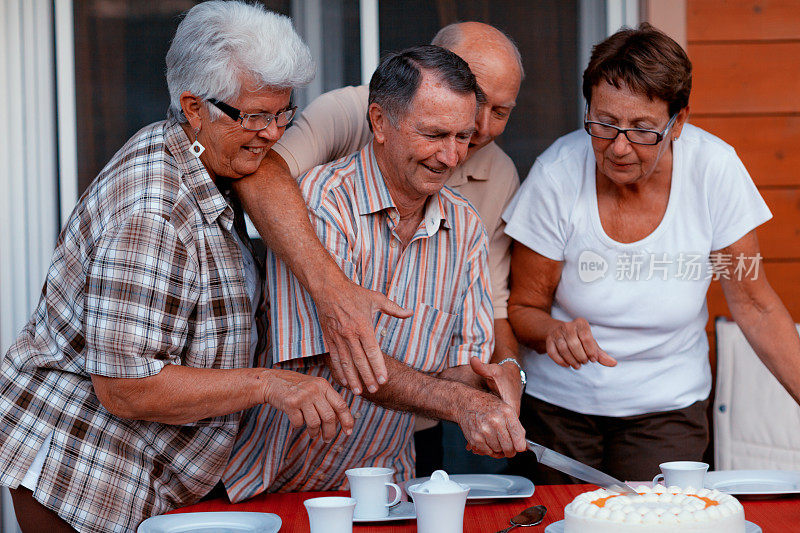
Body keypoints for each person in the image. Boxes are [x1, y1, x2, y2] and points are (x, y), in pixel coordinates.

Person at [0, 3, 354, 531]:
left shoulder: (201, 156)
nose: (274, 133)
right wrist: (270, 385)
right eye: (255, 116)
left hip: (136, 474)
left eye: (283, 114)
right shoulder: (153, 210)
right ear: (193, 107)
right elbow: (127, 387)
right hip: (84, 475)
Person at [222, 45, 527, 500]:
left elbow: (465, 362)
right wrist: (462, 403)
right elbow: (345, 362)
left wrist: (487, 391)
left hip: (387, 486)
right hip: (273, 482)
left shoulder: (465, 227)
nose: (451, 157)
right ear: (380, 122)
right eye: (434, 135)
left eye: (462, 137)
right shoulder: (320, 204)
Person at [503, 23, 800, 484]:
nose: (618, 148)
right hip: (559, 411)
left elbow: (755, 305)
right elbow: (524, 307)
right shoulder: (558, 175)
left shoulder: (713, 171)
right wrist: (553, 333)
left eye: (643, 130)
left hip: (669, 408)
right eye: (604, 124)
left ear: (678, 123)